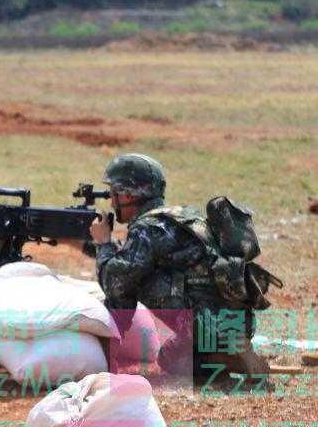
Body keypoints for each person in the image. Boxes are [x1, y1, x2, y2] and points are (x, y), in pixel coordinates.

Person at [88, 153, 270, 387]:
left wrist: (103, 243)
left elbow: (116, 281)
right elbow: (127, 258)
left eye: (114, 194)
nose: (112, 202)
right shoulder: (179, 218)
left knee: (138, 280)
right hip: (237, 322)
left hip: (208, 324)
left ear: (129, 194)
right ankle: (224, 355)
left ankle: (223, 346)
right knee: (169, 359)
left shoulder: (147, 228)